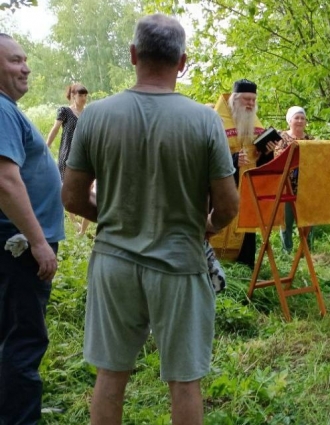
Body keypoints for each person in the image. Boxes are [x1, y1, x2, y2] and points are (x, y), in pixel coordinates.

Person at [61, 14, 238, 424]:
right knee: (184, 381)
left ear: (133, 54)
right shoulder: (205, 120)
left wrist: (107, 218)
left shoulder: (97, 116)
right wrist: (206, 227)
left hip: (114, 261)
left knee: (110, 375)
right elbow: (229, 207)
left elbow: (71, 196)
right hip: (179, 263)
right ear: (183, 62)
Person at [0, 33, 65, 425]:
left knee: (11, 333)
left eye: (25, 59)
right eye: (14, 61)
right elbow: (6, 182)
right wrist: (39, 242)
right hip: (20, 245)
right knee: (24, 338)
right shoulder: (2, 110)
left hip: (15, 242)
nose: (25, 68)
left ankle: (12, 407)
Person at [211, 79, 275, 269]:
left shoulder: (255, 122)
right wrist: (232, 160)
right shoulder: (217, 120)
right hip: (222, 186)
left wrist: (267, 152)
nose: (250, 104)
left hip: (247, 186)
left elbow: (260, 161)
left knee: (246, 226)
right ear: (234, 99)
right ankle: (211, 264)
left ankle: (244, 267)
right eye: (247, 99)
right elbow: (206, 154)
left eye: (254, 100)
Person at [46, 82, 91, 234]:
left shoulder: (88, 113)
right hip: (67, 154)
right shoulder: (65, 111)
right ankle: (73, 222)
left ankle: (84, 221)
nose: (83, 98)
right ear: (73, 96)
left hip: (84, 155)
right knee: (65, 186)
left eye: (85, 95)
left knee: (87, 187)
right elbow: (55, 129)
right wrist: (46, 146)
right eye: (80, 95)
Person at [275, 106, 314, 253]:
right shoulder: (281, 137)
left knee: (308, 219)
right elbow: (278, 157)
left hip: (306, 187)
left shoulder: (310, 139)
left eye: (302, 118)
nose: (300, 121)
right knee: (287, 220)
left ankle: (307, 251)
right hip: (286, 185)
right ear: (289, 120)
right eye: (296, 118)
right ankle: (288, 252)